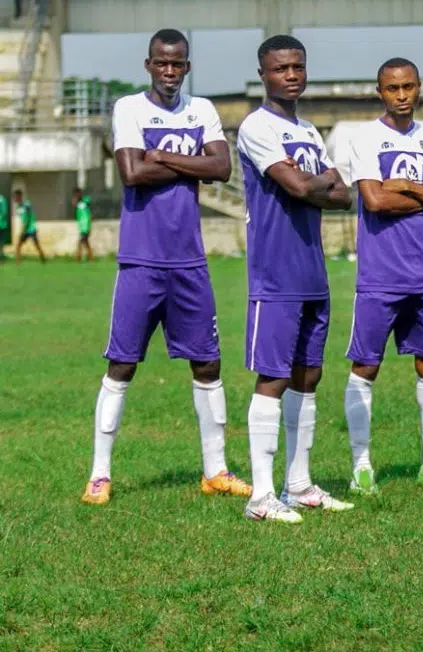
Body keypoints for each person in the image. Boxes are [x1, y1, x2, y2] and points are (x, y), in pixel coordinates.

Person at [81, 28, 249, 506]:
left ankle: (215, 471)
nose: (169, 71)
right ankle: (99, 475)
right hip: (141, 260)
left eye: (177, 64)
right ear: (149, 65)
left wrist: (161, 155)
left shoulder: (203, 110)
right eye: (161, 63)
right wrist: (190, 160)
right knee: (122, 363)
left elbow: (221, 168)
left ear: (187, 67)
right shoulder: (129, 108)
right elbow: (132, 172)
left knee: (208, 362)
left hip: (190, 261)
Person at [342, 58, 423, 496]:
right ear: (380, 91)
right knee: (366, 366)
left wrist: (410, 186)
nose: (401, 95)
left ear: (419, 88)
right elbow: (376, 201)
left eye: (408, 86)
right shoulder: (365, 139)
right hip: (380, 275)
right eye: (392, 88)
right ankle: (361, 466)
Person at [237, 34, 355, 524]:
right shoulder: (256, 126)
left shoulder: (307, 130)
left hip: (312, 269)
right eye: (281, 68)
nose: (291, 75)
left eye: (298, 67)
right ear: (263, 74)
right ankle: (261, 497)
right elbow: (302, 186)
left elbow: (343, 195)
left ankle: (300, 484)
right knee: (274, 376)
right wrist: (315, 184)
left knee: (309, 376)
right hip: (275, 272)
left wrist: (314, 185)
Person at [13, 189, 45, 264]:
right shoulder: (18, 208)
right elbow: (22, 218)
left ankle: (43, 259)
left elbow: (27, 217)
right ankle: (18, 262)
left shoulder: (27, 204)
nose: (14, 198)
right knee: (18, 245)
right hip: (25, 229)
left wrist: (23, 228)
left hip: (31, 228)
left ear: (19, 196)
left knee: (36, 245)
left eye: (15, 196)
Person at [73, 188, 94, 262]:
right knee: (86, 242)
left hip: (86, 225)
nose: (76, 196)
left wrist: (90, 223)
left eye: (77, 194)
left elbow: (90, 210)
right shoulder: (78, 203)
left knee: (80, 241)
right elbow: (74, 204)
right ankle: (91, 258)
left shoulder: (86, 200)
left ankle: (78, 258)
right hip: (81, 225)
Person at [0, 189, 10, 262]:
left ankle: (1, 259)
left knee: (1, 243)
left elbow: (4, 213)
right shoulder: (2, 199)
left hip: (1, 225)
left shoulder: (2, 199)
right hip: (3, 224)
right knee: (1, 243)